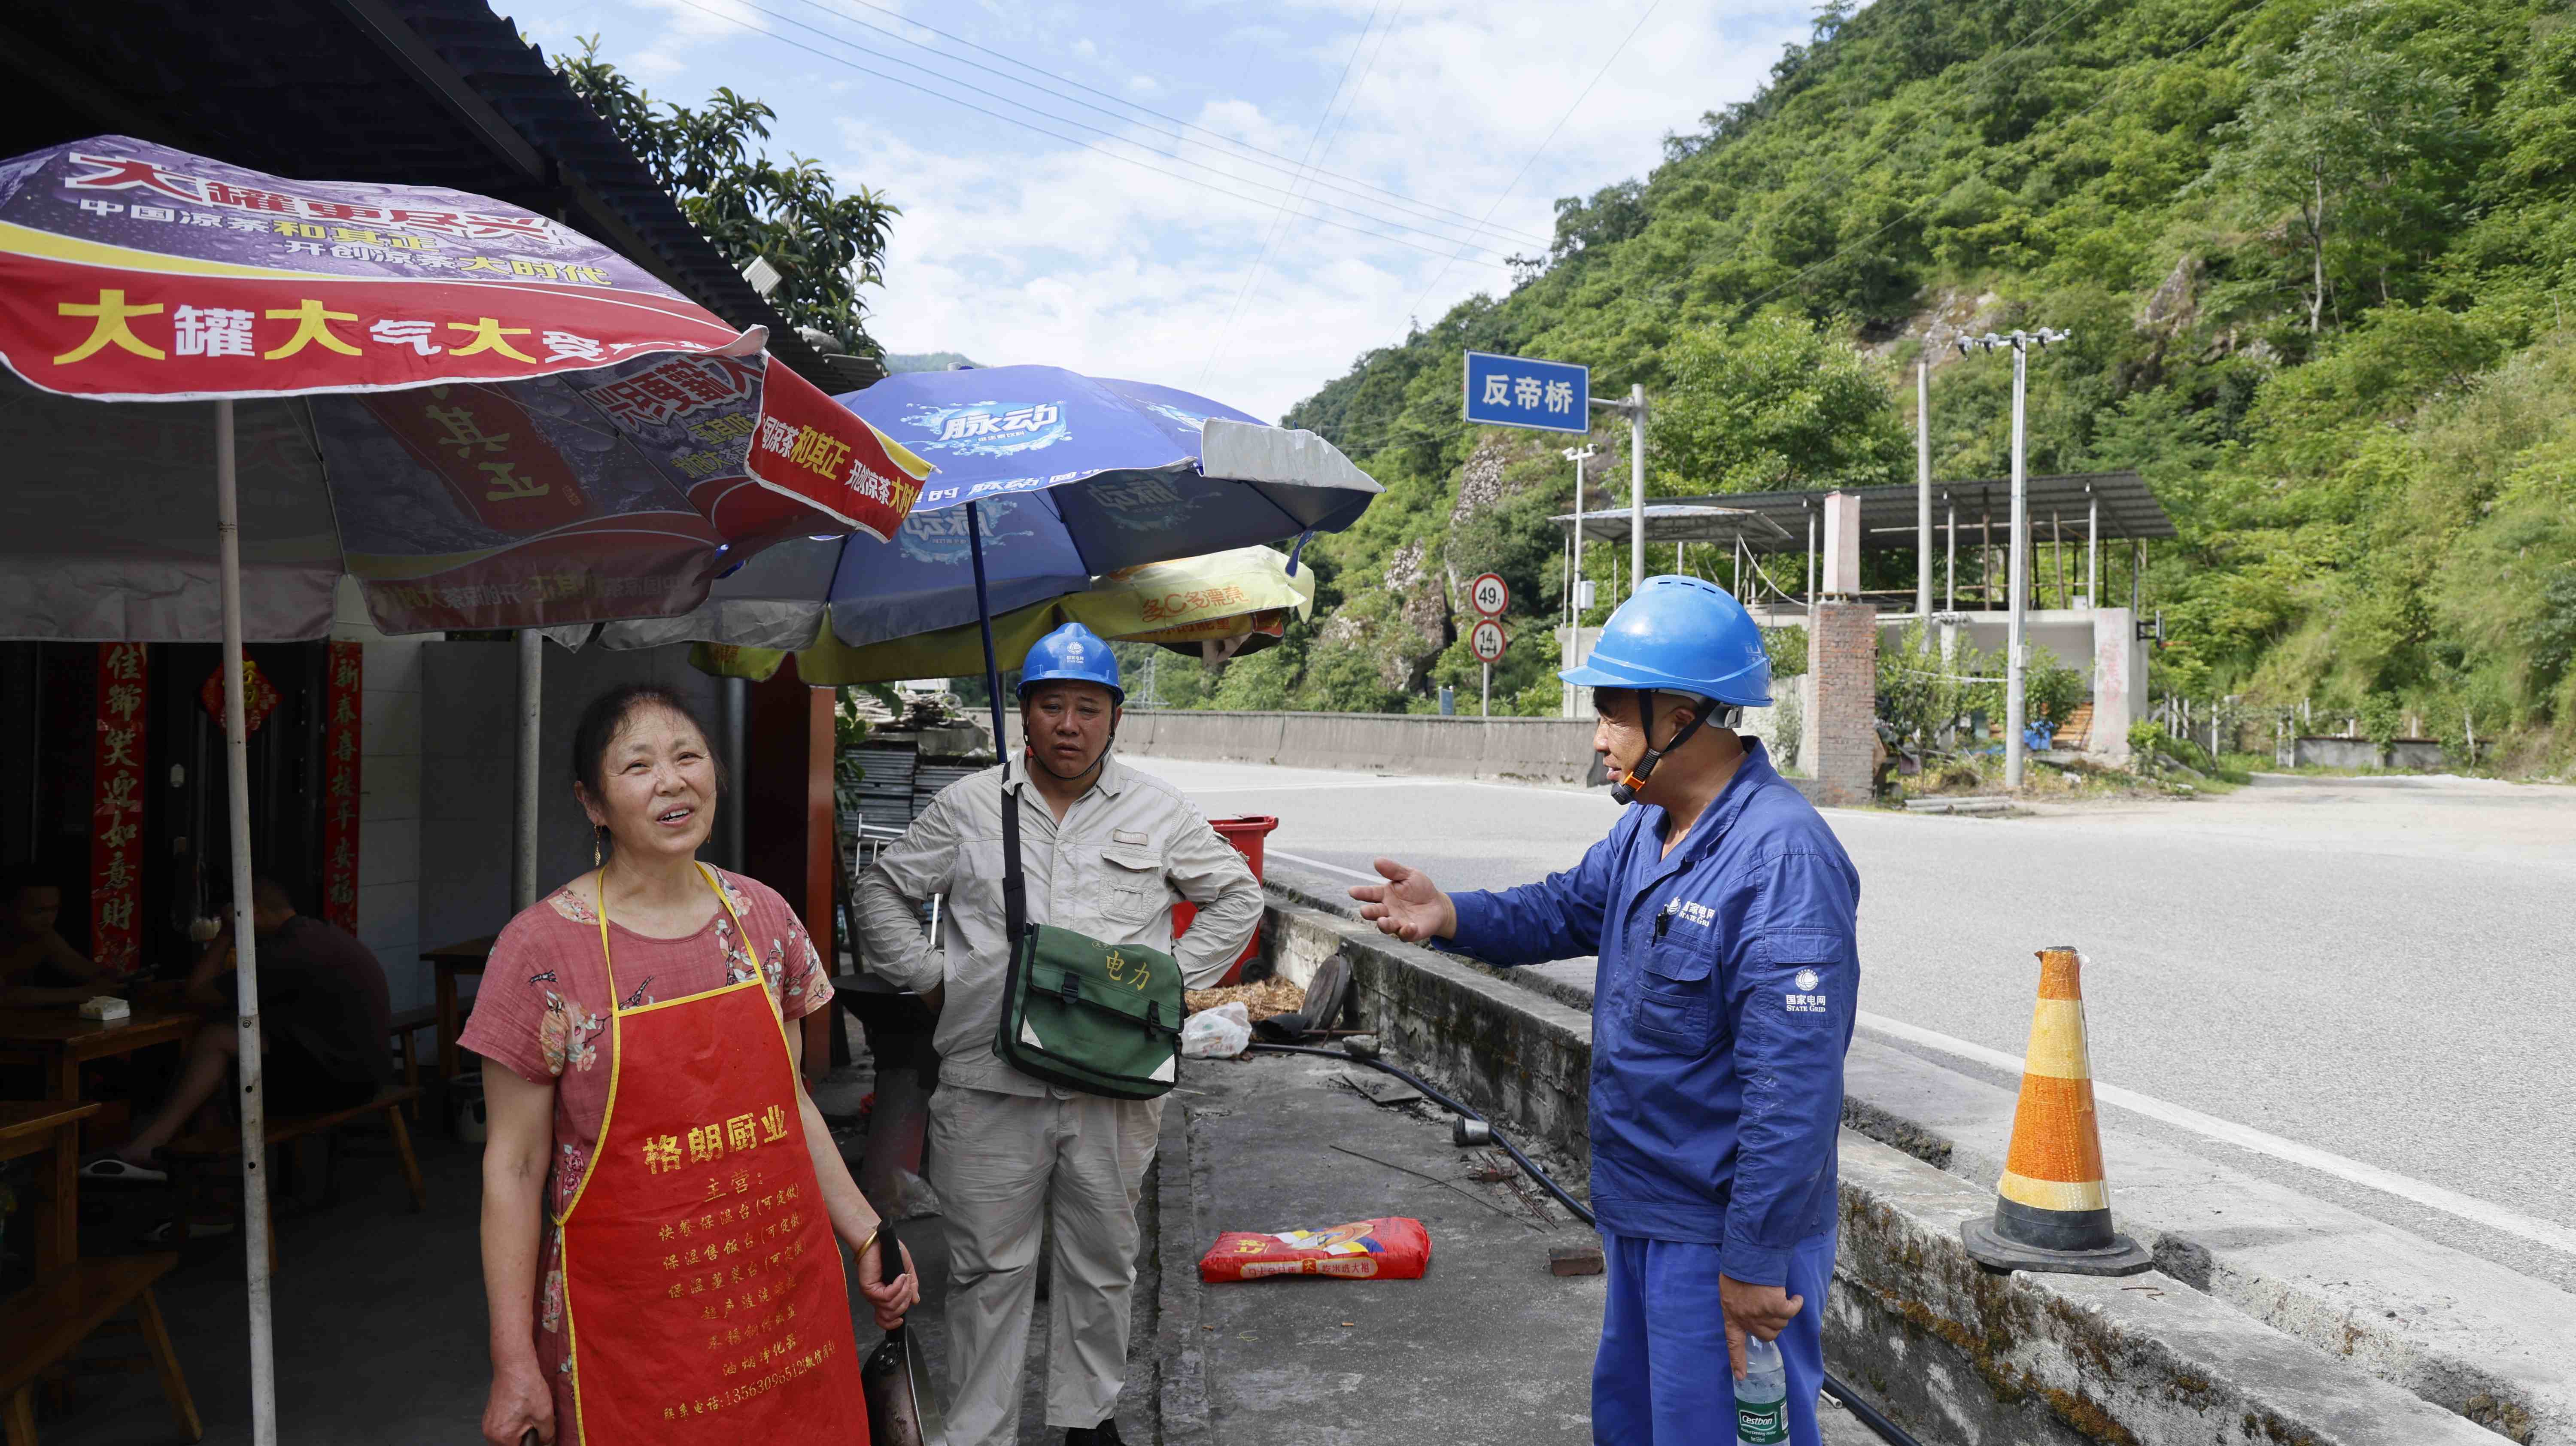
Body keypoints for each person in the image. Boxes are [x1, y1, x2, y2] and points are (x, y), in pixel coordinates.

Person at [1351, 576, 1860, 1446]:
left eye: (1615, 715)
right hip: (1641, 1212)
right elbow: (1564, 908)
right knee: (1635, 1426)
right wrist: (1452, 914)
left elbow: (1795, 1092)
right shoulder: (1646, 829)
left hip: (1719, 1236)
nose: (1598, 737)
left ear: (1684, 718)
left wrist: (1752, 1262)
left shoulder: (1782, 859)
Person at [464, 683, 918, 1446]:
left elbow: (792, 1103)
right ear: (592, 802)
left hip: (780, 1305)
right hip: (632, 1329)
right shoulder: (542, 951)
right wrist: (513, 1361)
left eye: (688, 756)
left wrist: (867, 1233)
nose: (672, 781)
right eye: (638, 765)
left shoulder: (765, 920)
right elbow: (513, 1167)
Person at [856, 623, 1262, 1446]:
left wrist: (1165, 987)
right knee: (988, 1267)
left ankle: (1087, 1418)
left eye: (1088, 707)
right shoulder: (972, 806)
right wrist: (937, 979)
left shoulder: (1158, 809)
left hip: (1113, 1085)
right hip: (989, 1080)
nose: (1069, 725)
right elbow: (881, 892)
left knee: (1102, 1260)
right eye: (1052, 706)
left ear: (1116, 717)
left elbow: (1238, 896)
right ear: (1025, 713)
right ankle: (981, 1431)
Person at [88, 878, 393, 1190]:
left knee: (216, 1044)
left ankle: (172, 1163)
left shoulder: (288, 951)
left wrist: (226, 934)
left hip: (344, 1082)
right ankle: (190, 1172)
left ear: (252, 912)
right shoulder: (316, 934)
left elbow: (197, 994)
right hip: (367, 1071)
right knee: (221, 1056)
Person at [0, 865, 114, 1007]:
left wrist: (120, 977)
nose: (48, 920)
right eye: (38, 912)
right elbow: (4, 996)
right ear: (4, 910)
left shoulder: (44, 936)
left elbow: (84, 970)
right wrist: (81, 993)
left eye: (53, 910)